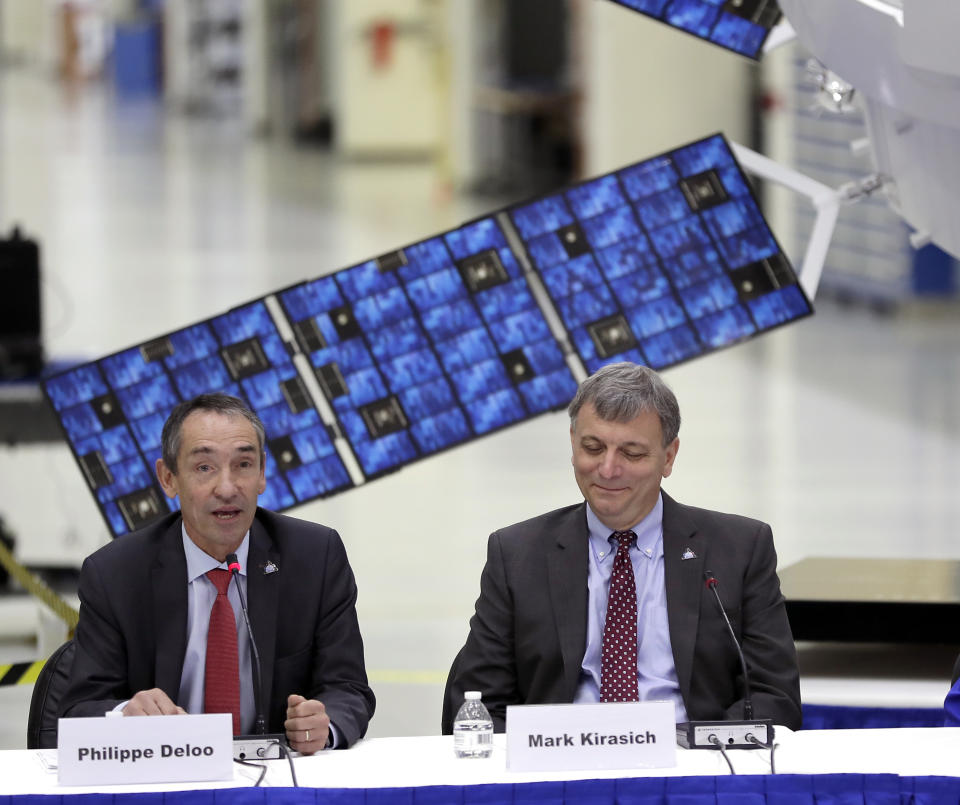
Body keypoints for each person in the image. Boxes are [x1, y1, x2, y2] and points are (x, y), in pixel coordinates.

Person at [442, 362, 801, 732]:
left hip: (690, 767)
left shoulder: (740, 549)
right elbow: (476, 702)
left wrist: (702, 755)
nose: (608, 469)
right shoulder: (517, 554)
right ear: (572, 443)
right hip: (562, 768)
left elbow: (773, 695)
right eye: (593, 447)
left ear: (669, 456)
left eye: (631, 453)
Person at [58, 393, 375, 751]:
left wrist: (324, 724)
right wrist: (123, 716)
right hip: (163, 777)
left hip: (276, 781)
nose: (227, 488)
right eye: (204, 468)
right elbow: (79, 709)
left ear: (262, 474)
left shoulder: (315, 558)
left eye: (243, 465)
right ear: (168, 478)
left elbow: (348, 688)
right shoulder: (115, 574)